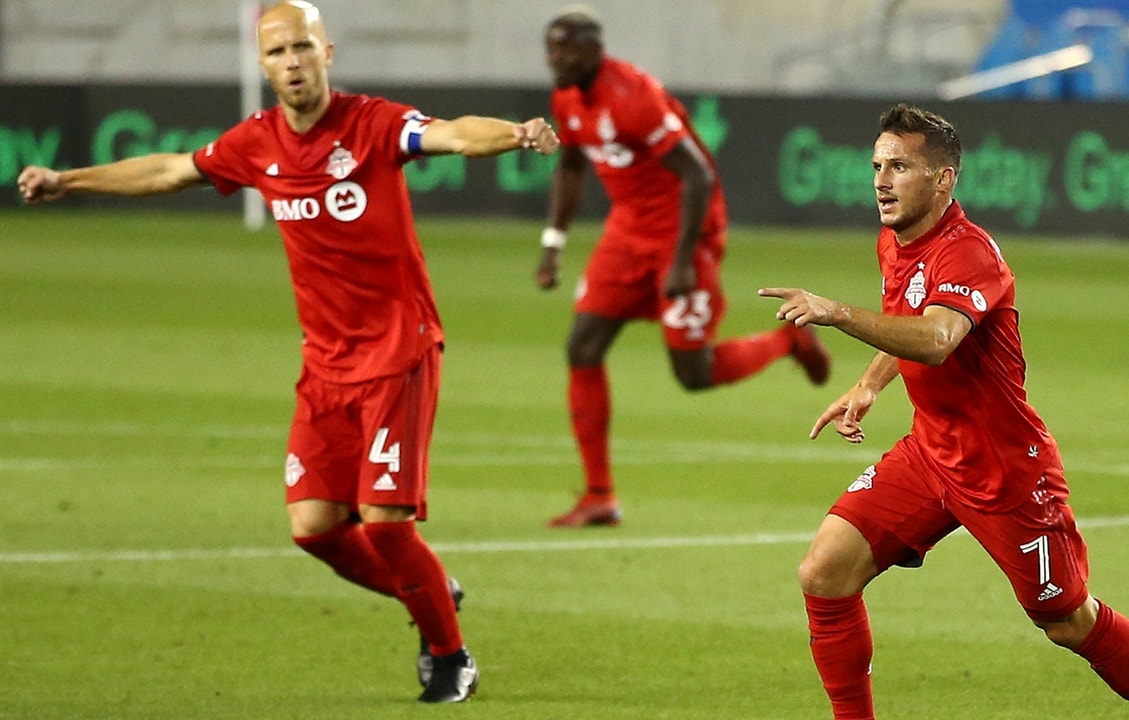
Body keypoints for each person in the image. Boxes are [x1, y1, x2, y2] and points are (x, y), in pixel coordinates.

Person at [17, 0, 559, 704]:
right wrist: (69, 181)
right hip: (326, 364)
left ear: (328, 52)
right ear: (262, 65)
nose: (292, 62)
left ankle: (451, 654)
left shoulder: (372, 125)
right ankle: (430, 594)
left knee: (386, 523)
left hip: (398, 351)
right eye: (277, 52)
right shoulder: (257, 142)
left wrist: (514, 134)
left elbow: (453, 134)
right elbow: (168, 170)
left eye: (302, 47)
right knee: (314, 529)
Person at [759, 104, 1129, 720]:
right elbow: (908, 322)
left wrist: (836, 313)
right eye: (877, 166)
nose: (881, 182)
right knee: (825, 570)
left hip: (1003, 469)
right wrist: (869, 384)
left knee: (1066, 619)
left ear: (943, 179)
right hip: (931, 453)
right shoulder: (896, 239)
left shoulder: (970, 254)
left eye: (899, 167)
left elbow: (938, 338)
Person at [536, 7, 832, 528]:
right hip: (627, 233)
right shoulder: (566, 97)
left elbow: (696, 177)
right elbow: (571, 164)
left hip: (683, 234)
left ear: (593, 51)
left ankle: (788, 341)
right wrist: (553, 243)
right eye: (551, 49)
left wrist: (681, 261)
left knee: (692, 374)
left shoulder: (634, 97)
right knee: (582, 346)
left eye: (566, 50)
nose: (555, 59)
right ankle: (599, 496)